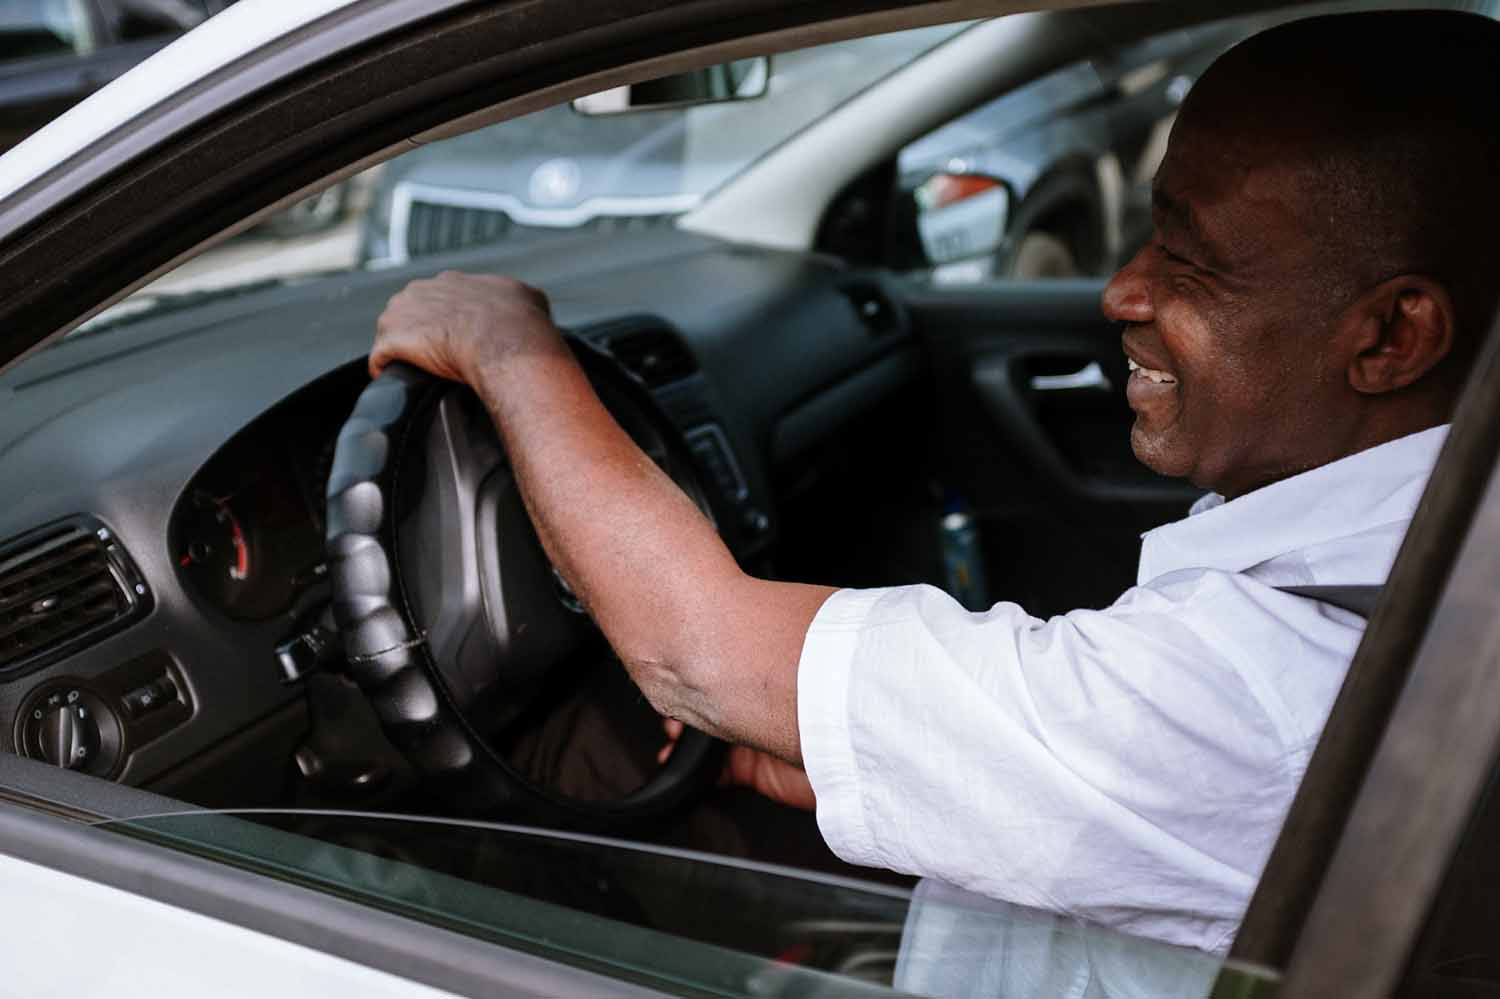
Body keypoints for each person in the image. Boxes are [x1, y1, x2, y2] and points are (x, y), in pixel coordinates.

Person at [366, 10, 1500, 957]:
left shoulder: (1265, 687)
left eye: (1189, 260)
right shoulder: (1423, 572)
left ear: (1393, 337)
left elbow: (690, 652)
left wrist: (506, 348)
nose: (1119, 293)